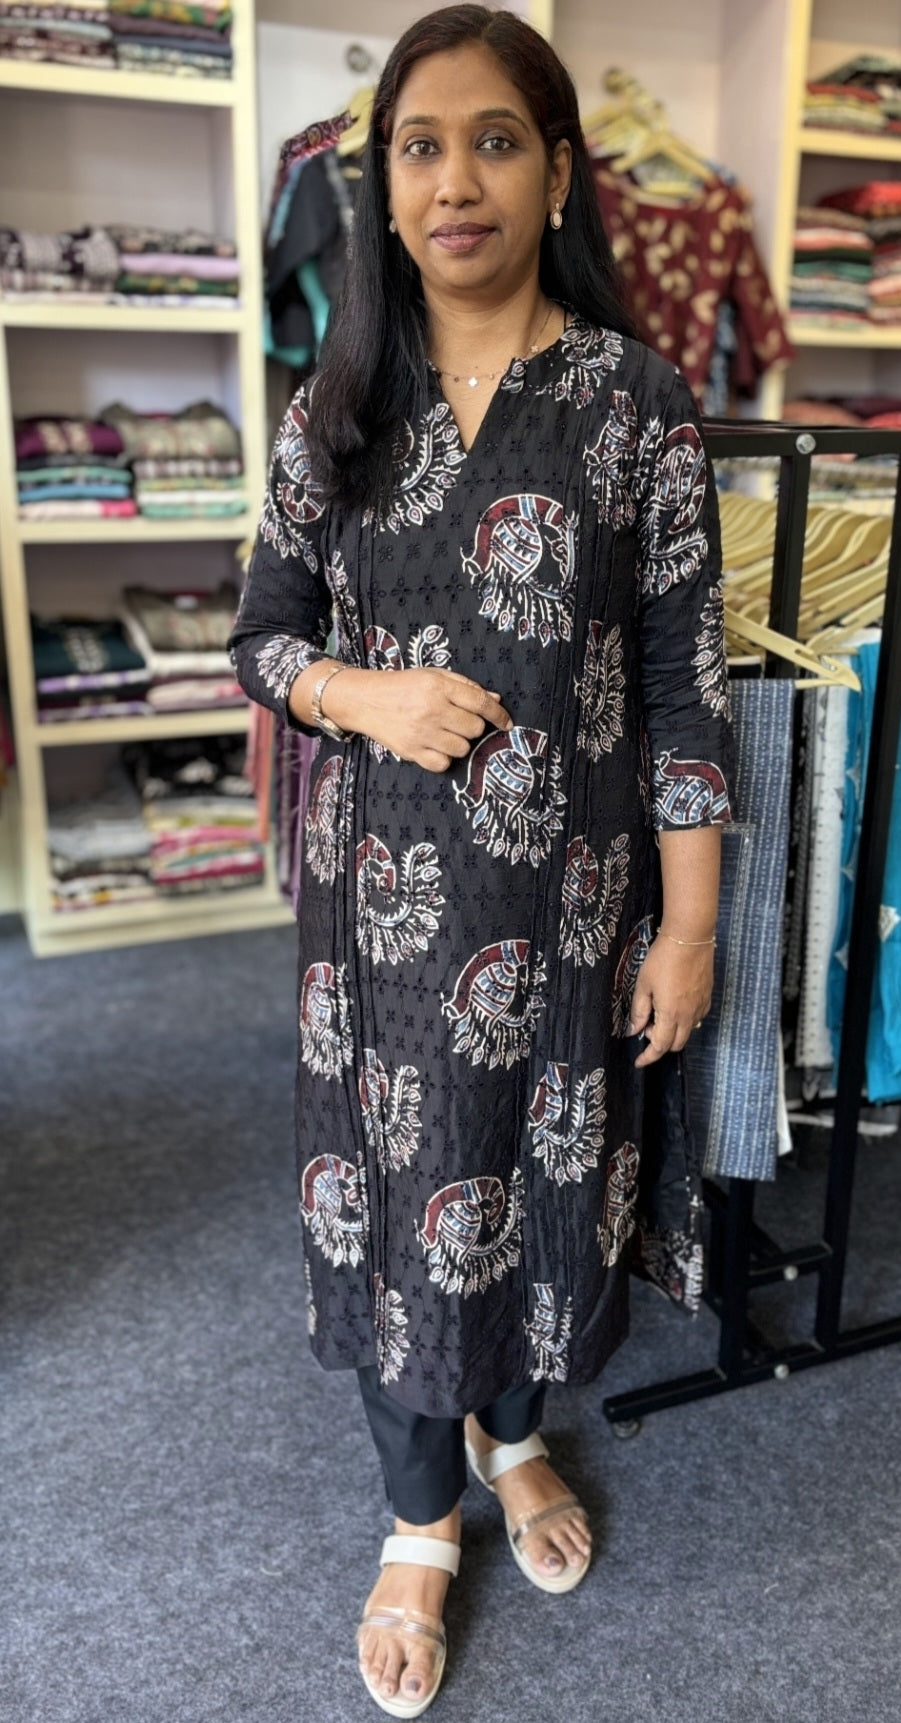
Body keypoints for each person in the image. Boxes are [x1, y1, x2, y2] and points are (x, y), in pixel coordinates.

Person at [230, 6, 732, 1716]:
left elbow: (683, 685)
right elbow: (261, 638)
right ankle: (417, 1517)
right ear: (381, 186)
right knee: (404, 1191)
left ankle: (514, 1436)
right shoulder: (336, 406)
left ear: (558, 174)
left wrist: (687, 928)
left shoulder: (634, 405)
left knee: (544, 1181)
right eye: (421, 147)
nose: (455, 181)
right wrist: (361, 692)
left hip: (571, 903)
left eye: (494, 142)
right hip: (378, 913)